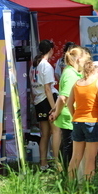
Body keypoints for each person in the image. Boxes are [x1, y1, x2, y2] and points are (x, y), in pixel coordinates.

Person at [49, 46, 90, 167]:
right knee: (70, 150)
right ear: (78, 59)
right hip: (69, 117)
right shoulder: (70, 74)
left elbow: (61, 96)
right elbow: (63, 97)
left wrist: (55, 109)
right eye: (85, 60)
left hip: (70, 116)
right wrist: (56, 113)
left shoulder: (71, 72)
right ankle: (68, 177)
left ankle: (68, 175)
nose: (86, 63)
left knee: (69, 148)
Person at [67, 61, 98, 180]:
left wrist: (75, 115)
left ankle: (70, 187)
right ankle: (88, 189)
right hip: (93, 122)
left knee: (75, 157)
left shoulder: (77, 83)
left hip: (77, 121)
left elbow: (69, 104)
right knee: (90, 159)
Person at [29, 40, 60, 171]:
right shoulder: (46, 66)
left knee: (45, 134)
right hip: (47, 100)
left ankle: (43, 164)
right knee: (56, 131)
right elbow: (48, 89)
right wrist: (54, 107)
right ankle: (58, 163)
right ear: (51, 50)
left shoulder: (34, 65)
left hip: (38, 101)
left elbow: (32, 86)